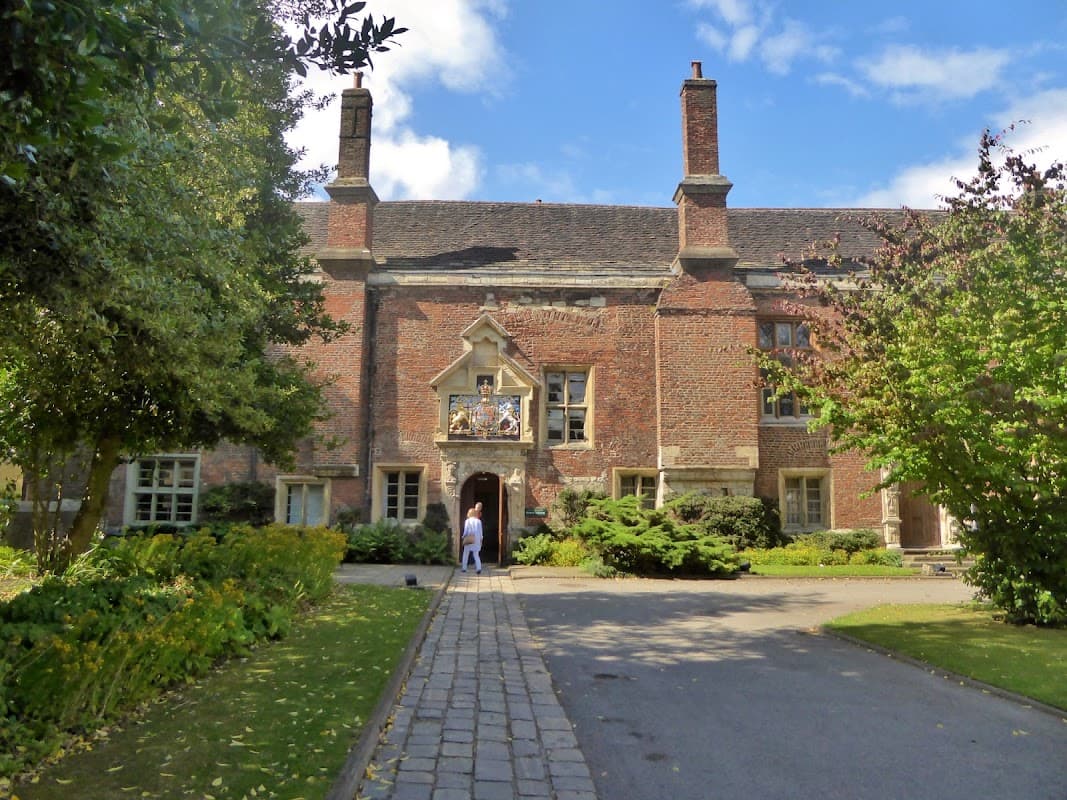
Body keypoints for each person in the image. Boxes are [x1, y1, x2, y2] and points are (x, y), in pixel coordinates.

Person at [461, 506, 483, 574]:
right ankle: (478, 568)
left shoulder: (467, 521)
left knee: (466, 554)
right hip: (476, 539)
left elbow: (466, 531)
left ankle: (464, 568)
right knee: (476, 554)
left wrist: (463, 536)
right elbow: (481, 532)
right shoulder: (479, 521)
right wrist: (481, 539)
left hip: (469, 538)